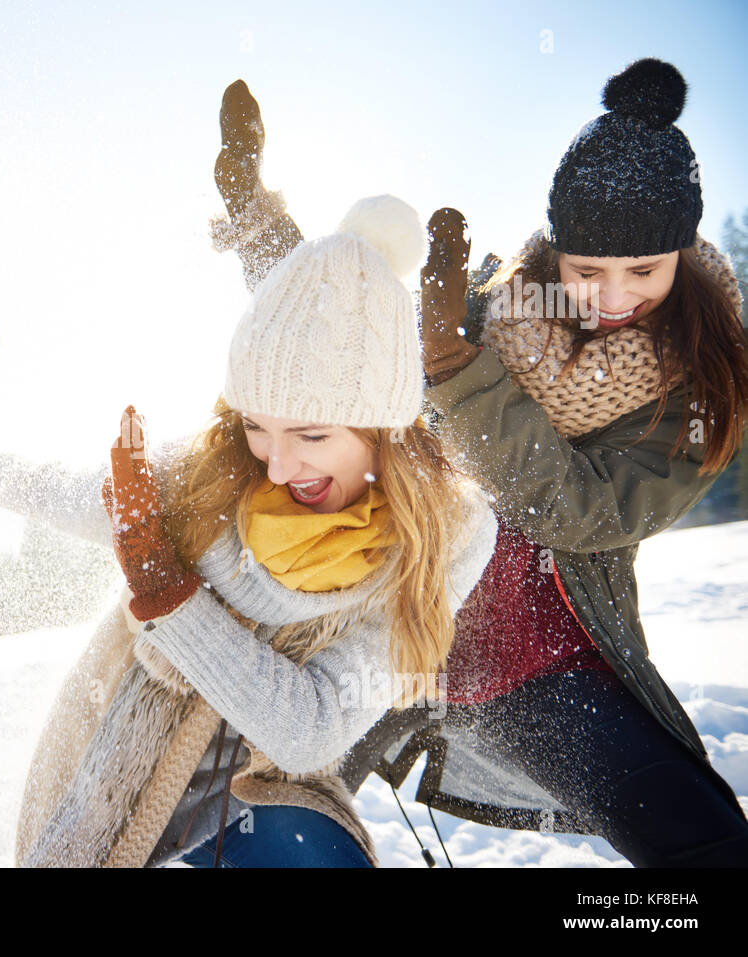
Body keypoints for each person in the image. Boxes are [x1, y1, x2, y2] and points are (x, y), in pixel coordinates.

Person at [213, 62, 748, 865]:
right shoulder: (492, 311)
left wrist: (456, 374)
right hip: (389, 647)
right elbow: (334, 336)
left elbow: (577, 511)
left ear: (681, 253)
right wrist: (254, 214)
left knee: (705, 846)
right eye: (586, 269)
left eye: (643, 271)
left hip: (542, 674)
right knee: (251, 824)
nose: (610, 296)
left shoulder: (694, 388)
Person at [0, 195, 498, 866]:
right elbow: (65, 489)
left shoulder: (446, 535)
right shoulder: (212, 475)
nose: (278, 461)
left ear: (384, 426)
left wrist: (168, 594)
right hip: (124, 775)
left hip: (265, 793)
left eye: (312, 433)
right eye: (257, 424)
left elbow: (309, 729)